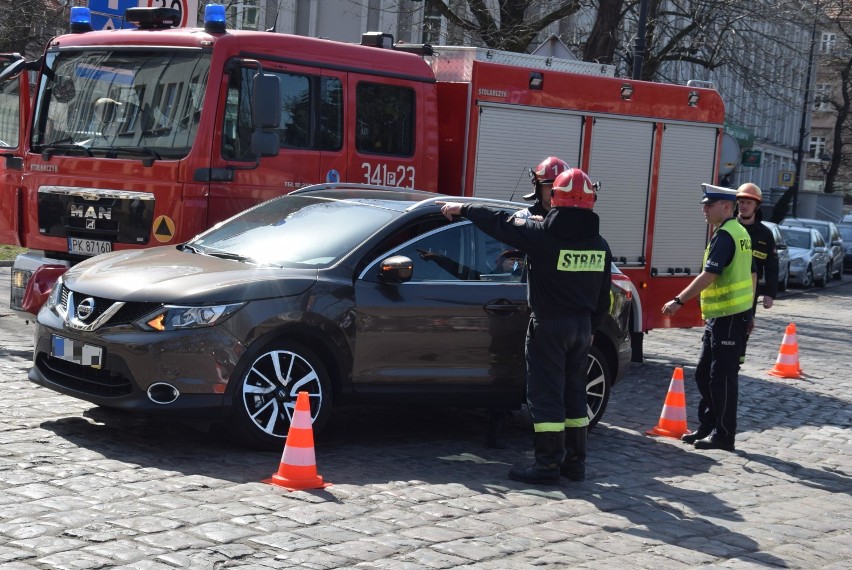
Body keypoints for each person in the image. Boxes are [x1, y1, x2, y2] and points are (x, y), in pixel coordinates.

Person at [439, 167, 612, 484]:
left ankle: (546, 465)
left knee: (545, 395)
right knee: (575, 396)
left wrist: (462, 208)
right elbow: (605, 296)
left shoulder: (543, 235)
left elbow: (499, 223)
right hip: (582, 329)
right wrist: (591, 328)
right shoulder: (600, 245)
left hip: (549, 327)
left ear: (556, 197)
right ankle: (574, 464)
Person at [661, 184, 756, 452]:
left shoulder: (727, 235)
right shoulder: (735, 232)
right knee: (705, 374)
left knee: (721, 379)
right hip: (723, 317)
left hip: (729, 318)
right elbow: (748, 275)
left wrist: (679, 301)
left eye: (709, 205)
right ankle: (709, 425)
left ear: (726, 206)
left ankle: (724, 435)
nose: (704, 209)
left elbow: (709, 275)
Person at [735, 182, 778, 364]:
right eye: (742, 202)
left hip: (750, 293)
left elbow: (772, 266)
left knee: (744, 328)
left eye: (749, 203)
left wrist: (770, 294)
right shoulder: (728, 228)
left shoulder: (765, 234)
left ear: (756, 206)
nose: (744, 206)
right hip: (726, 289)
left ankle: (737, 361)